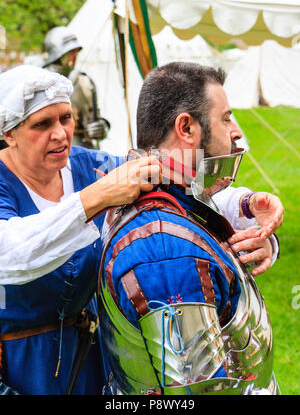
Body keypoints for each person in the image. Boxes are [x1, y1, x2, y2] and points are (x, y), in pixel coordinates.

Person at [98, 62, 281, 395]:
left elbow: (214, 207)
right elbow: (192, 394)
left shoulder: (166, 198)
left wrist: (258, 224)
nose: (236, 131)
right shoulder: (165, 252)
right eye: (226, 118)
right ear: (186, 127)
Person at [0, 64, 161, 395]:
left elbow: (168, 176)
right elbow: (9, 254)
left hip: (91, 353)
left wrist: (244, 204)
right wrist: (96, 198)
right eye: (42, 124)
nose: (60, 133)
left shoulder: (91, 165)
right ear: (9, 134)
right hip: (19, 363)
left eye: (65, 118)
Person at [43, 26, 110, 149]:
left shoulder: (85, 82)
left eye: (76, 51)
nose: (75, 55)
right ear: (57, 54)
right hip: (51, 150)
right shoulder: (39, 82)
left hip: (84, 150)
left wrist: (101, 128)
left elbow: (95, 118)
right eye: (70, 52)